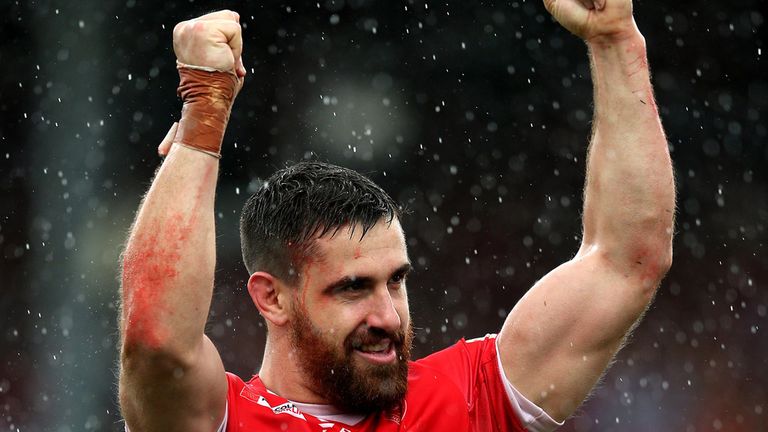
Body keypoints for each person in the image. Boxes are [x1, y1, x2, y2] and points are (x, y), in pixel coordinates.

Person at [118, 0, 675, 430]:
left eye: (397, 281)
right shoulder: (227, 421)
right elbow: (154, 340)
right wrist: (203, 115)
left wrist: (615, 39)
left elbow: (627, 262)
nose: (389, 316)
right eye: (353, 288)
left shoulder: (470, 399)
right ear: (272, 297)